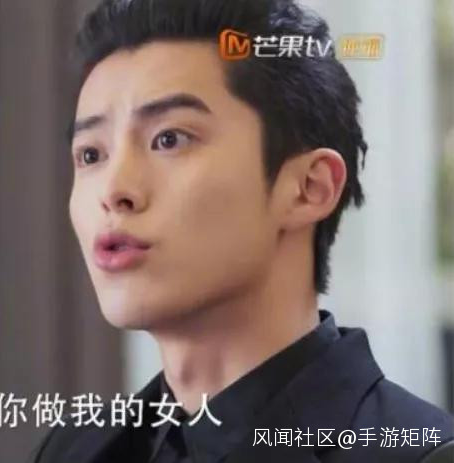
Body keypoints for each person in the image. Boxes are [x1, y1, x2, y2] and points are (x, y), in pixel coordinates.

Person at [28, 0, 454, 461]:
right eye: (91, 155)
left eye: (169, 139)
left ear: (309, 188)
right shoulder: (72, 449)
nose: (113, 191)